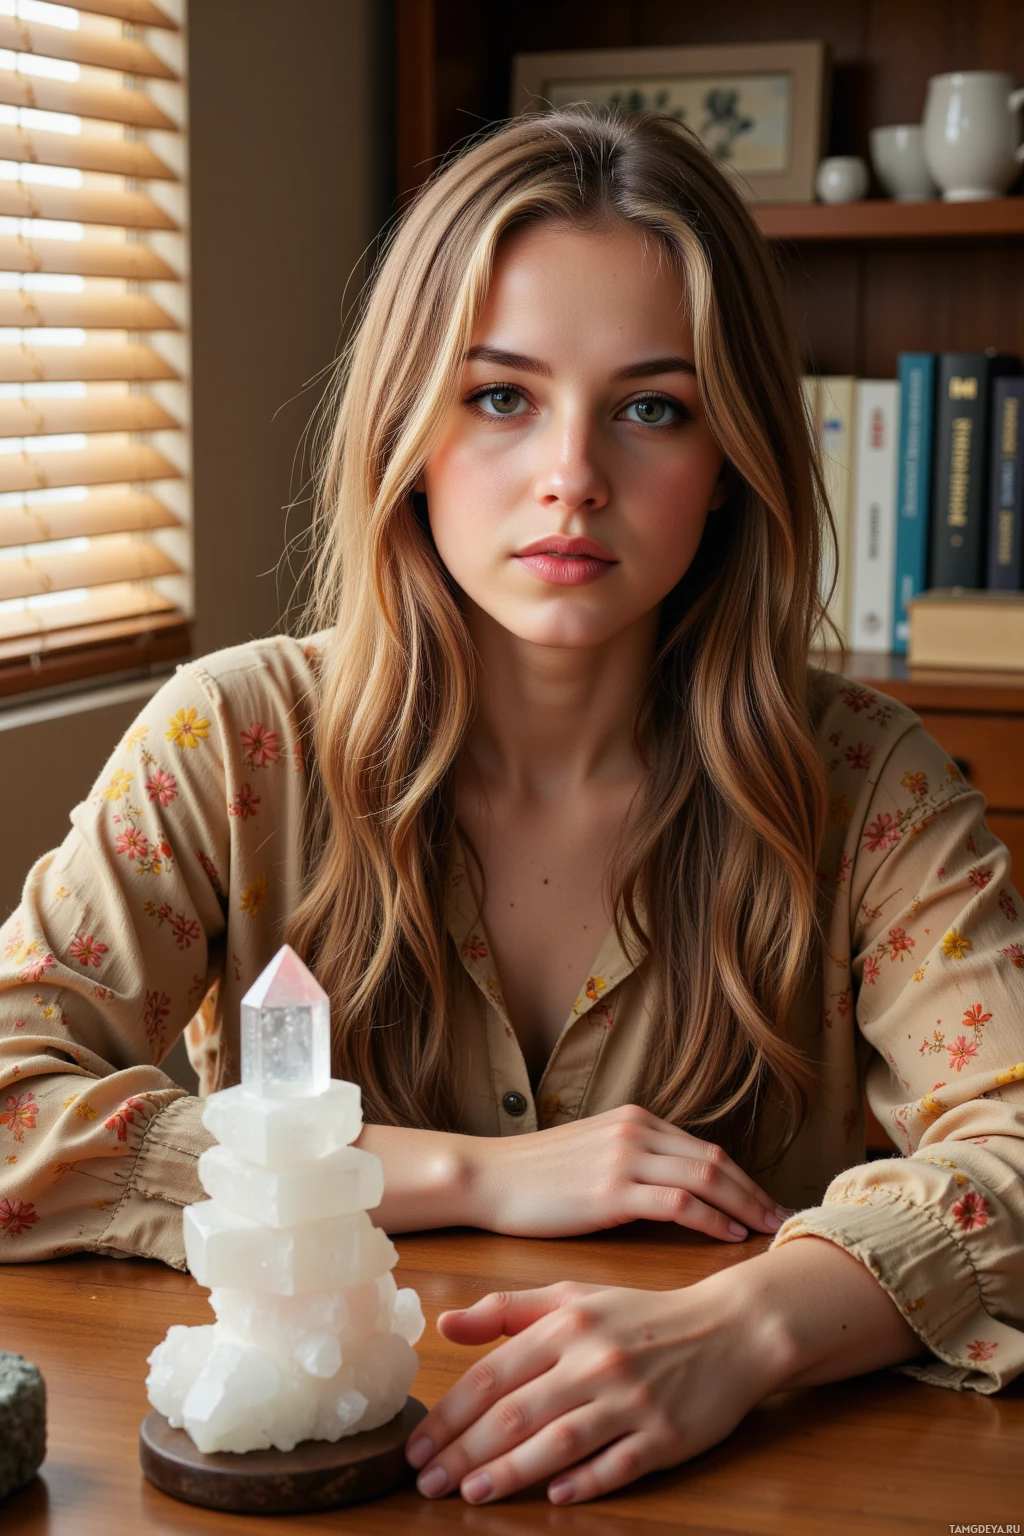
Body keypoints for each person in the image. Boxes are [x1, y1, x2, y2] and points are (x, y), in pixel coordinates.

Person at [1, 106, 1022, 1508]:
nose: (572, 479)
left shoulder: (867, 783)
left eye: (652, 407)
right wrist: (471, 1175)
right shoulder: (230, 741)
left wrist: (748, 1327)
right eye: (500, 396)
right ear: (409, 428)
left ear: (730, 460)